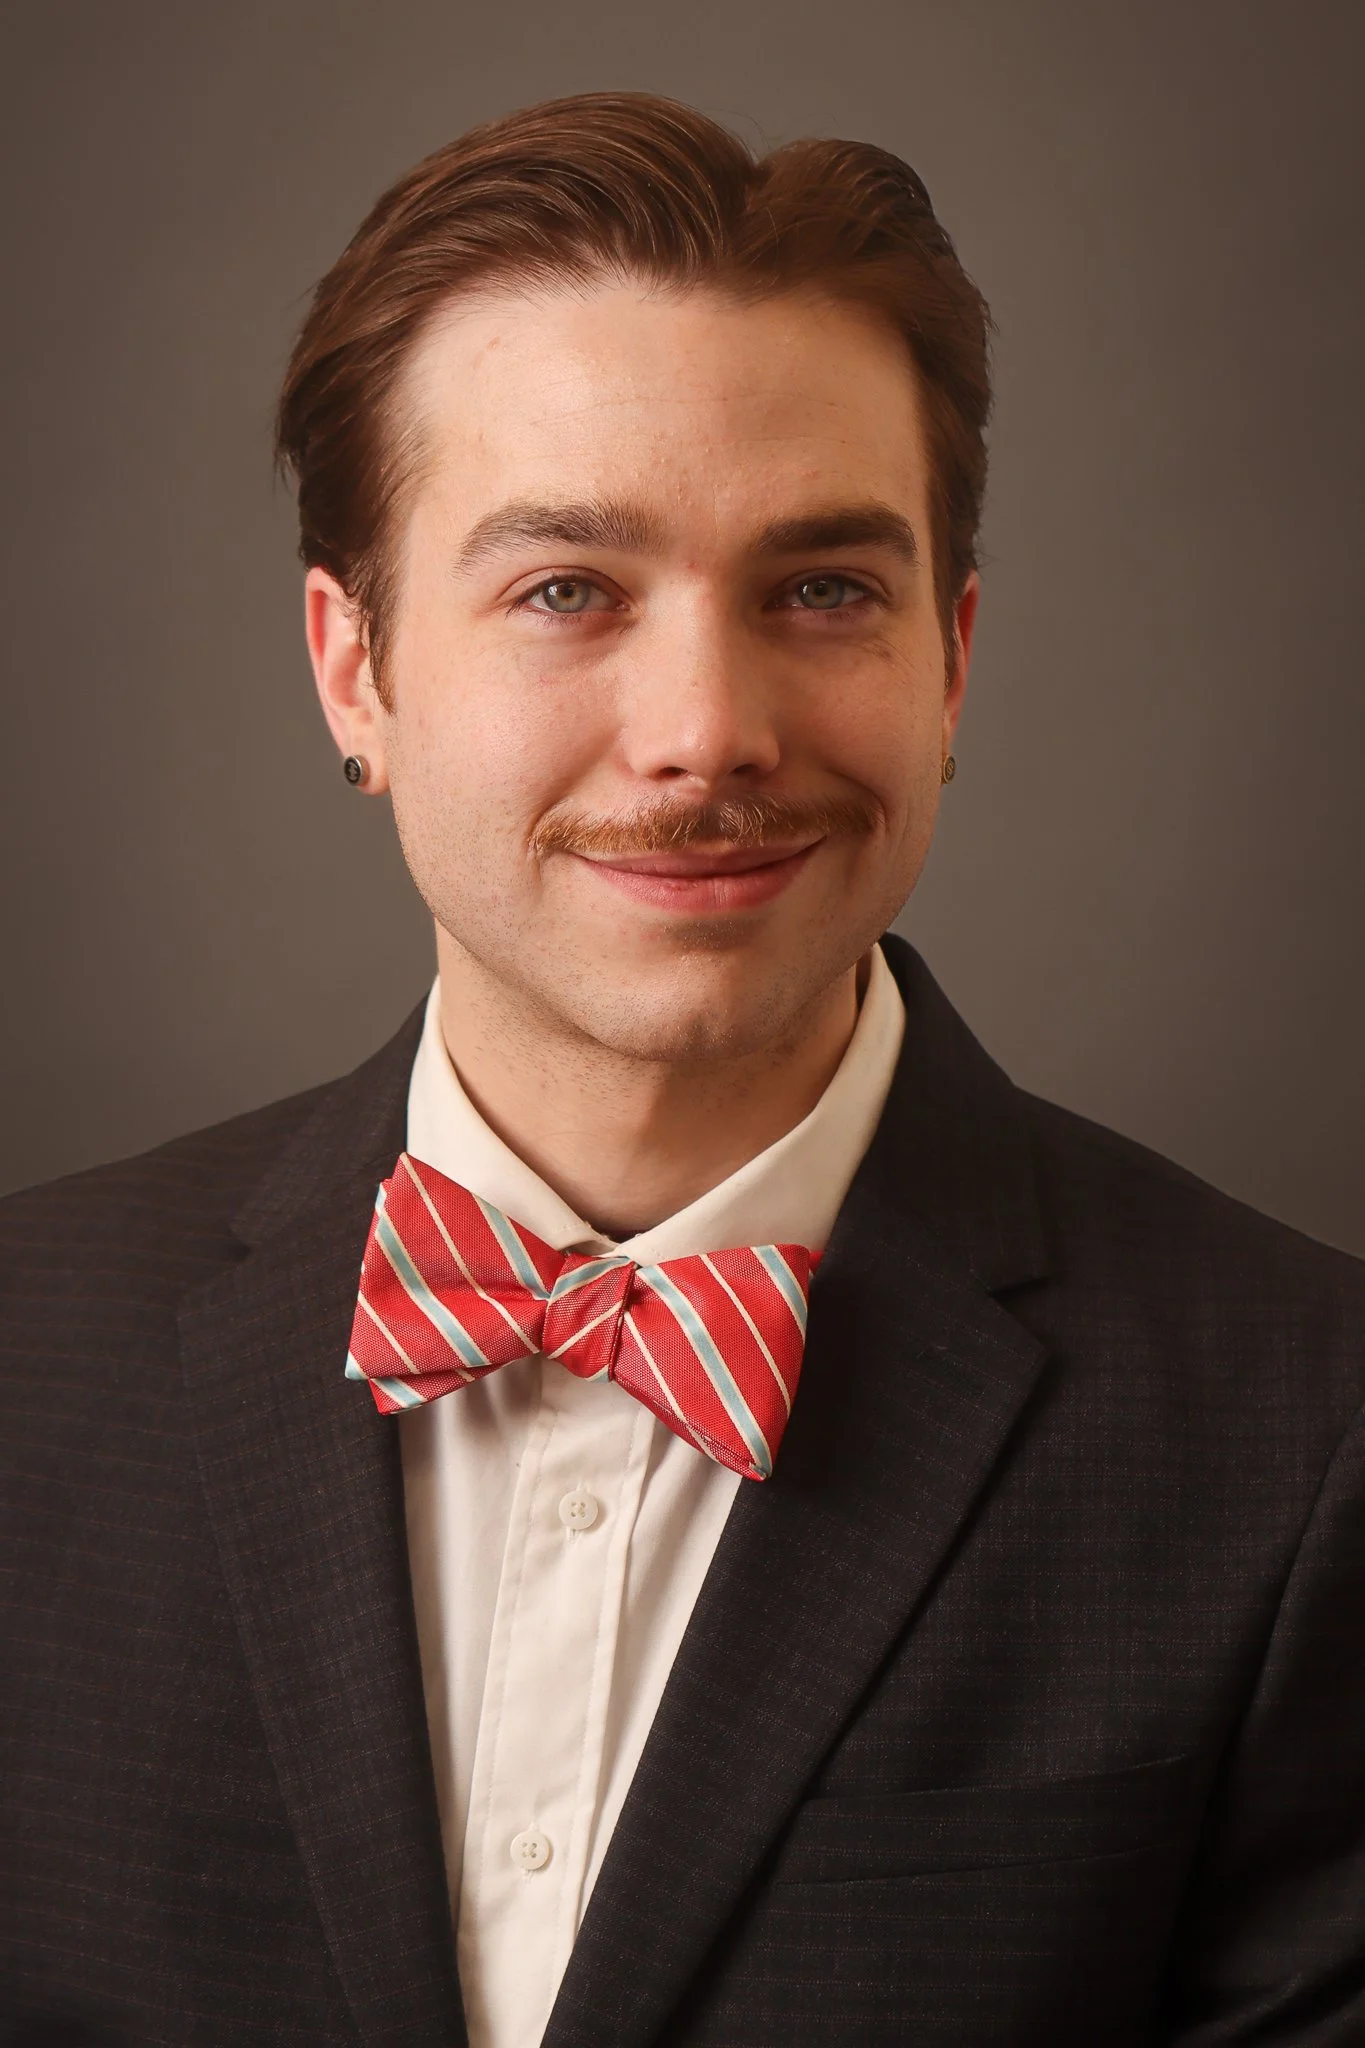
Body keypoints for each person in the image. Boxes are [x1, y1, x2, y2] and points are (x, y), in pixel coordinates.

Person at [3, 88, 1364, 2048]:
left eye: (822, 589)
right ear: (353, 670)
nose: (708, 729)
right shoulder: (22, 1361)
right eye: (566, 589)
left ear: (952, 660)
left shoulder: (1308, 1438)